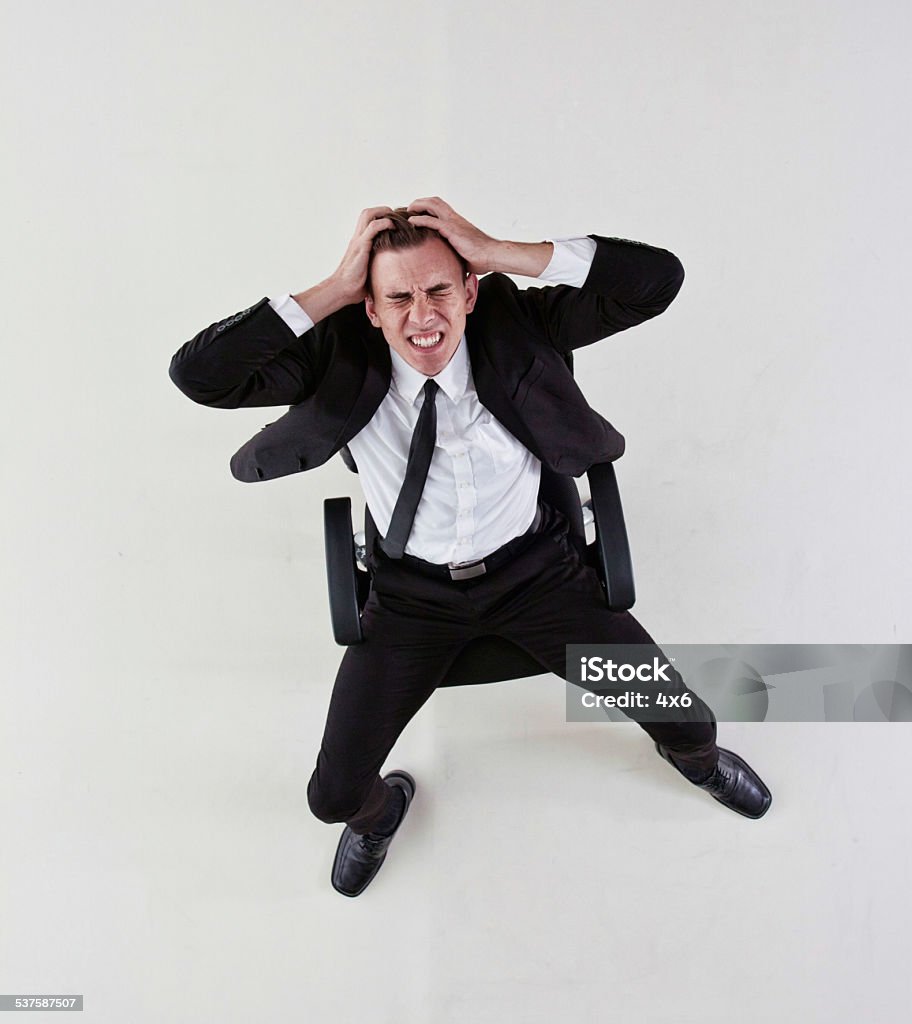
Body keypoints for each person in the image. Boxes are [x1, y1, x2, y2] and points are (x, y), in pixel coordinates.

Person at [169, 197, 772, 898]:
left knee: (690, 717)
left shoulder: (517, 326)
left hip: (538, 577)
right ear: (370, 307)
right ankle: (382, 811)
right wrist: (337, 286)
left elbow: (655, 281)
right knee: (331, 798)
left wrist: (496, 249)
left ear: (469, 291)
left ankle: (695, 762)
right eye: (397, 298)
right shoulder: (339, 351)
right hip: (411, 600)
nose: (421, 317)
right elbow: (200, 376)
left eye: (438, 291)